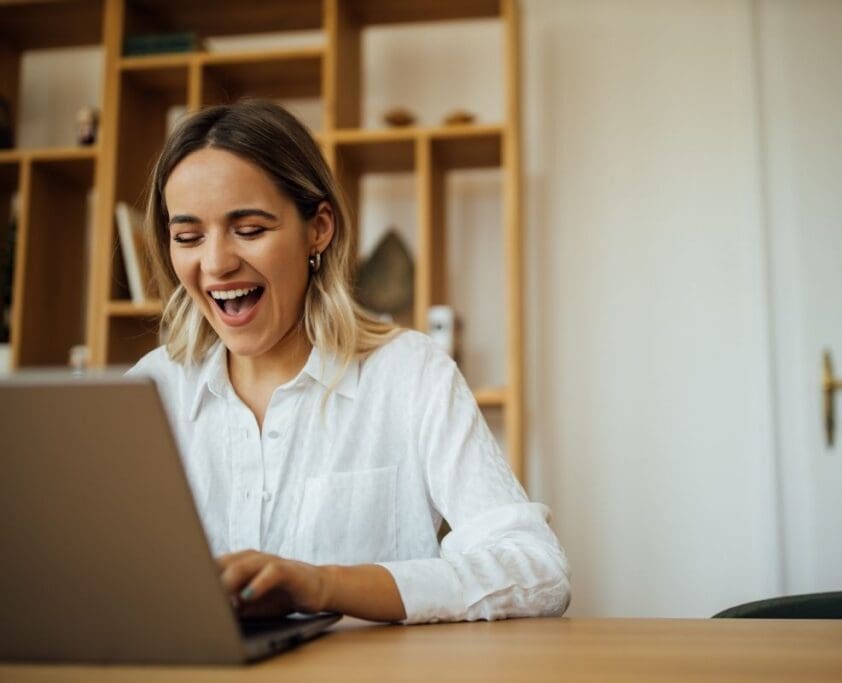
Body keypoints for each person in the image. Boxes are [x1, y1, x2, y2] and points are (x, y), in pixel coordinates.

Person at [127, 99, 570, 624]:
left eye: (249, 230)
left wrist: (323, 584)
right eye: (188, 237)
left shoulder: (409, 374)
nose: (217, 263)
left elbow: (538, 571)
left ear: (319, 228)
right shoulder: (147, 391)